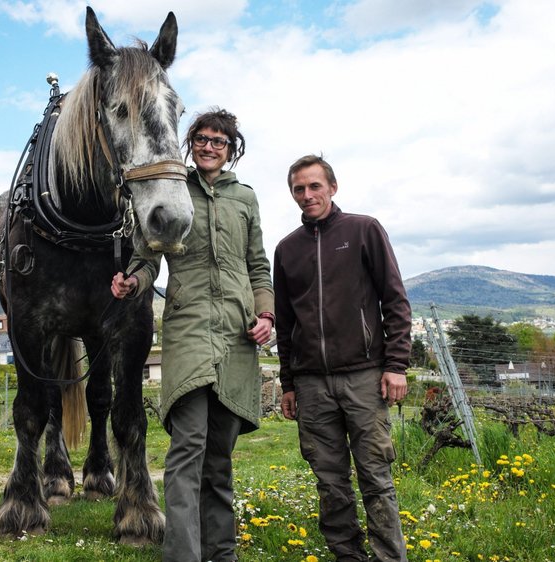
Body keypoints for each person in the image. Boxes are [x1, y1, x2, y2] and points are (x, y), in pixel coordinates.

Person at [111, 108, 273, 562]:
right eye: (201, 138)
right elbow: (146, 259)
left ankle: (221, 554)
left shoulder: (245, 198)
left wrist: (266, 314)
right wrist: (132, 282)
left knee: (219, 458)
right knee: (188, 450)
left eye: (218, 141)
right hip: (188, 335)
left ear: (230, 148)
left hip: (237, 339)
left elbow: (258, 265)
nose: (208, 146)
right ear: (190, 142)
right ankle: (182, 554)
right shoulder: (172, 190)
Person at [273, 154, 412, 562]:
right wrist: (288, 382)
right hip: (312, 384)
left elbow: (395, 301)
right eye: (299, 188)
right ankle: (347, 556)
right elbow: (284, 322)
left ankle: (390, 557)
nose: (307, 195)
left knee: (375, 477)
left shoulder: (364, 230)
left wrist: (396, 365)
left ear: (332, 187)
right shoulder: (286, 250)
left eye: (315, 186)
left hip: (364, 377)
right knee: (330, 483)